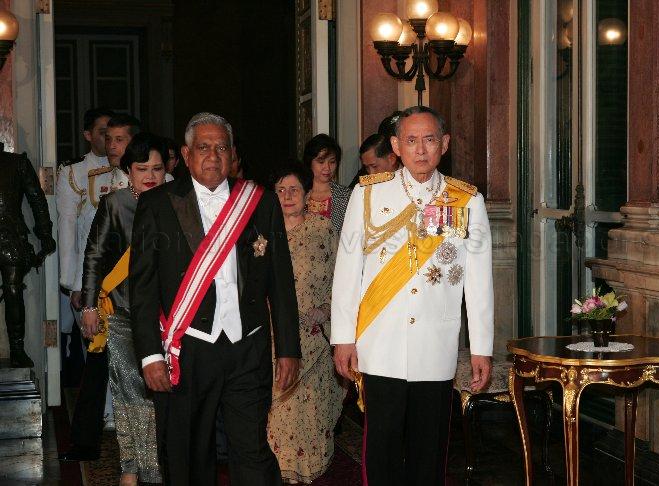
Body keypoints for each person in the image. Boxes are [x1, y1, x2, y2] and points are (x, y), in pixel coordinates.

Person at [130, 112, 301, 485]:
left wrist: (289, 348)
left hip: (248, 347)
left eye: (221, 147)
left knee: (252, 451)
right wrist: (149, 355)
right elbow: (141, 288)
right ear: (187, 155)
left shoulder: (260, 202)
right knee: (189, 456)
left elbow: (281, 282)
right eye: (204, 147)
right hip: (188, 350)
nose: (213, 155)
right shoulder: (157, 204)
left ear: (233, 154)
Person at [330, 105, 494, 486]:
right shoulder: (368, 196)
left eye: (430, 140)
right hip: (379, 343)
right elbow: (348, 271)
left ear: (445, 144)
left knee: (430, 448)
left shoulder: (467, 201)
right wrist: (343, 338)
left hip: (435, 346)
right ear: (396, 146)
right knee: (382, 446)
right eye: (411, 140)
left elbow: (479, 281)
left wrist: (481, 347)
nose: (421, 149)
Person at [80, 133, 167, 485]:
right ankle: (133, 467)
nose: (150, 175)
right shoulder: (115, 204)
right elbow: (95, 255)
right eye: (142, 168)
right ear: (128, 172)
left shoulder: (178, 202)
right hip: (123, 313)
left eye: (157, 168)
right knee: (129, 393)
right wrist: (88, 305)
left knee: (162, 397)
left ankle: (156, 467)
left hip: (169, 319)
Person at [58, 109, 142, 462]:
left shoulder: (161, 182)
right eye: (108, 138)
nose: (111, 145)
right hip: (107, 293)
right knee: (96, 366)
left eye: (120, 139)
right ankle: (87, 439)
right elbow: (88, 247)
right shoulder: (98, 185)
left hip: (145, 292)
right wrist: (81, 289)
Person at [267, 164, 346, 484]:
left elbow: (342, 278)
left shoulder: (322, 229)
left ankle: (311, 472)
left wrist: (326, 311)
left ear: (306, 195)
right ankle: (280, 471)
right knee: (279, 411)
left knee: (311, 409)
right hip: (274, 336)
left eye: (294, 190)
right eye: (280, 190)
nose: (287, 196)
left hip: (315, 335)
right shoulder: (262, 233)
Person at [0, 145, 55, 367]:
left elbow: (37, 200)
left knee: (13, 290)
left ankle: (17, 349)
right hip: (11, 236)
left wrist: (45, 234)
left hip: (11, 236)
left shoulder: (16, 163)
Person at [302, 134, 351, 233]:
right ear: (309, 163)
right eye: (321, 162)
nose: (327, 168)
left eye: (332, 162)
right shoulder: (298, 193)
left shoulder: (346, 195)